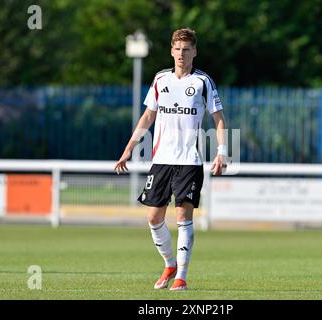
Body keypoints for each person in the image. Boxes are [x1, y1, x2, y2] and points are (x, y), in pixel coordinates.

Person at [115, 28, 227, 291]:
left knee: (182, 217)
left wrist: (222, 153)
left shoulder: (202, 82)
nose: (181, 54)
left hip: (189, 160)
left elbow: (219, 119)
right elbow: (147, 117)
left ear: (194, 52)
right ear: (171, 51)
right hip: (161, 159)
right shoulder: (160, 79)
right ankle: (170, 264)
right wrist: (129, 148)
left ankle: (182, 277)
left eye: (186, 49)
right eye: (177, 49)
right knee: (154, 217)